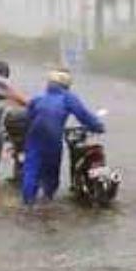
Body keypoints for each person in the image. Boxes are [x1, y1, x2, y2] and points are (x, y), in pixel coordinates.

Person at [22, 67, 104, 205]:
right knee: (51, 170)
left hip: (34, 137)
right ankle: (47, 200)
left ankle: (28, 203)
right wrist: (98, 127)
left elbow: (28, 117)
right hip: (53, 137)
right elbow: (84, 116)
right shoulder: (68, 98)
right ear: (67, 84)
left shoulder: (38, 98)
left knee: (31, 170)